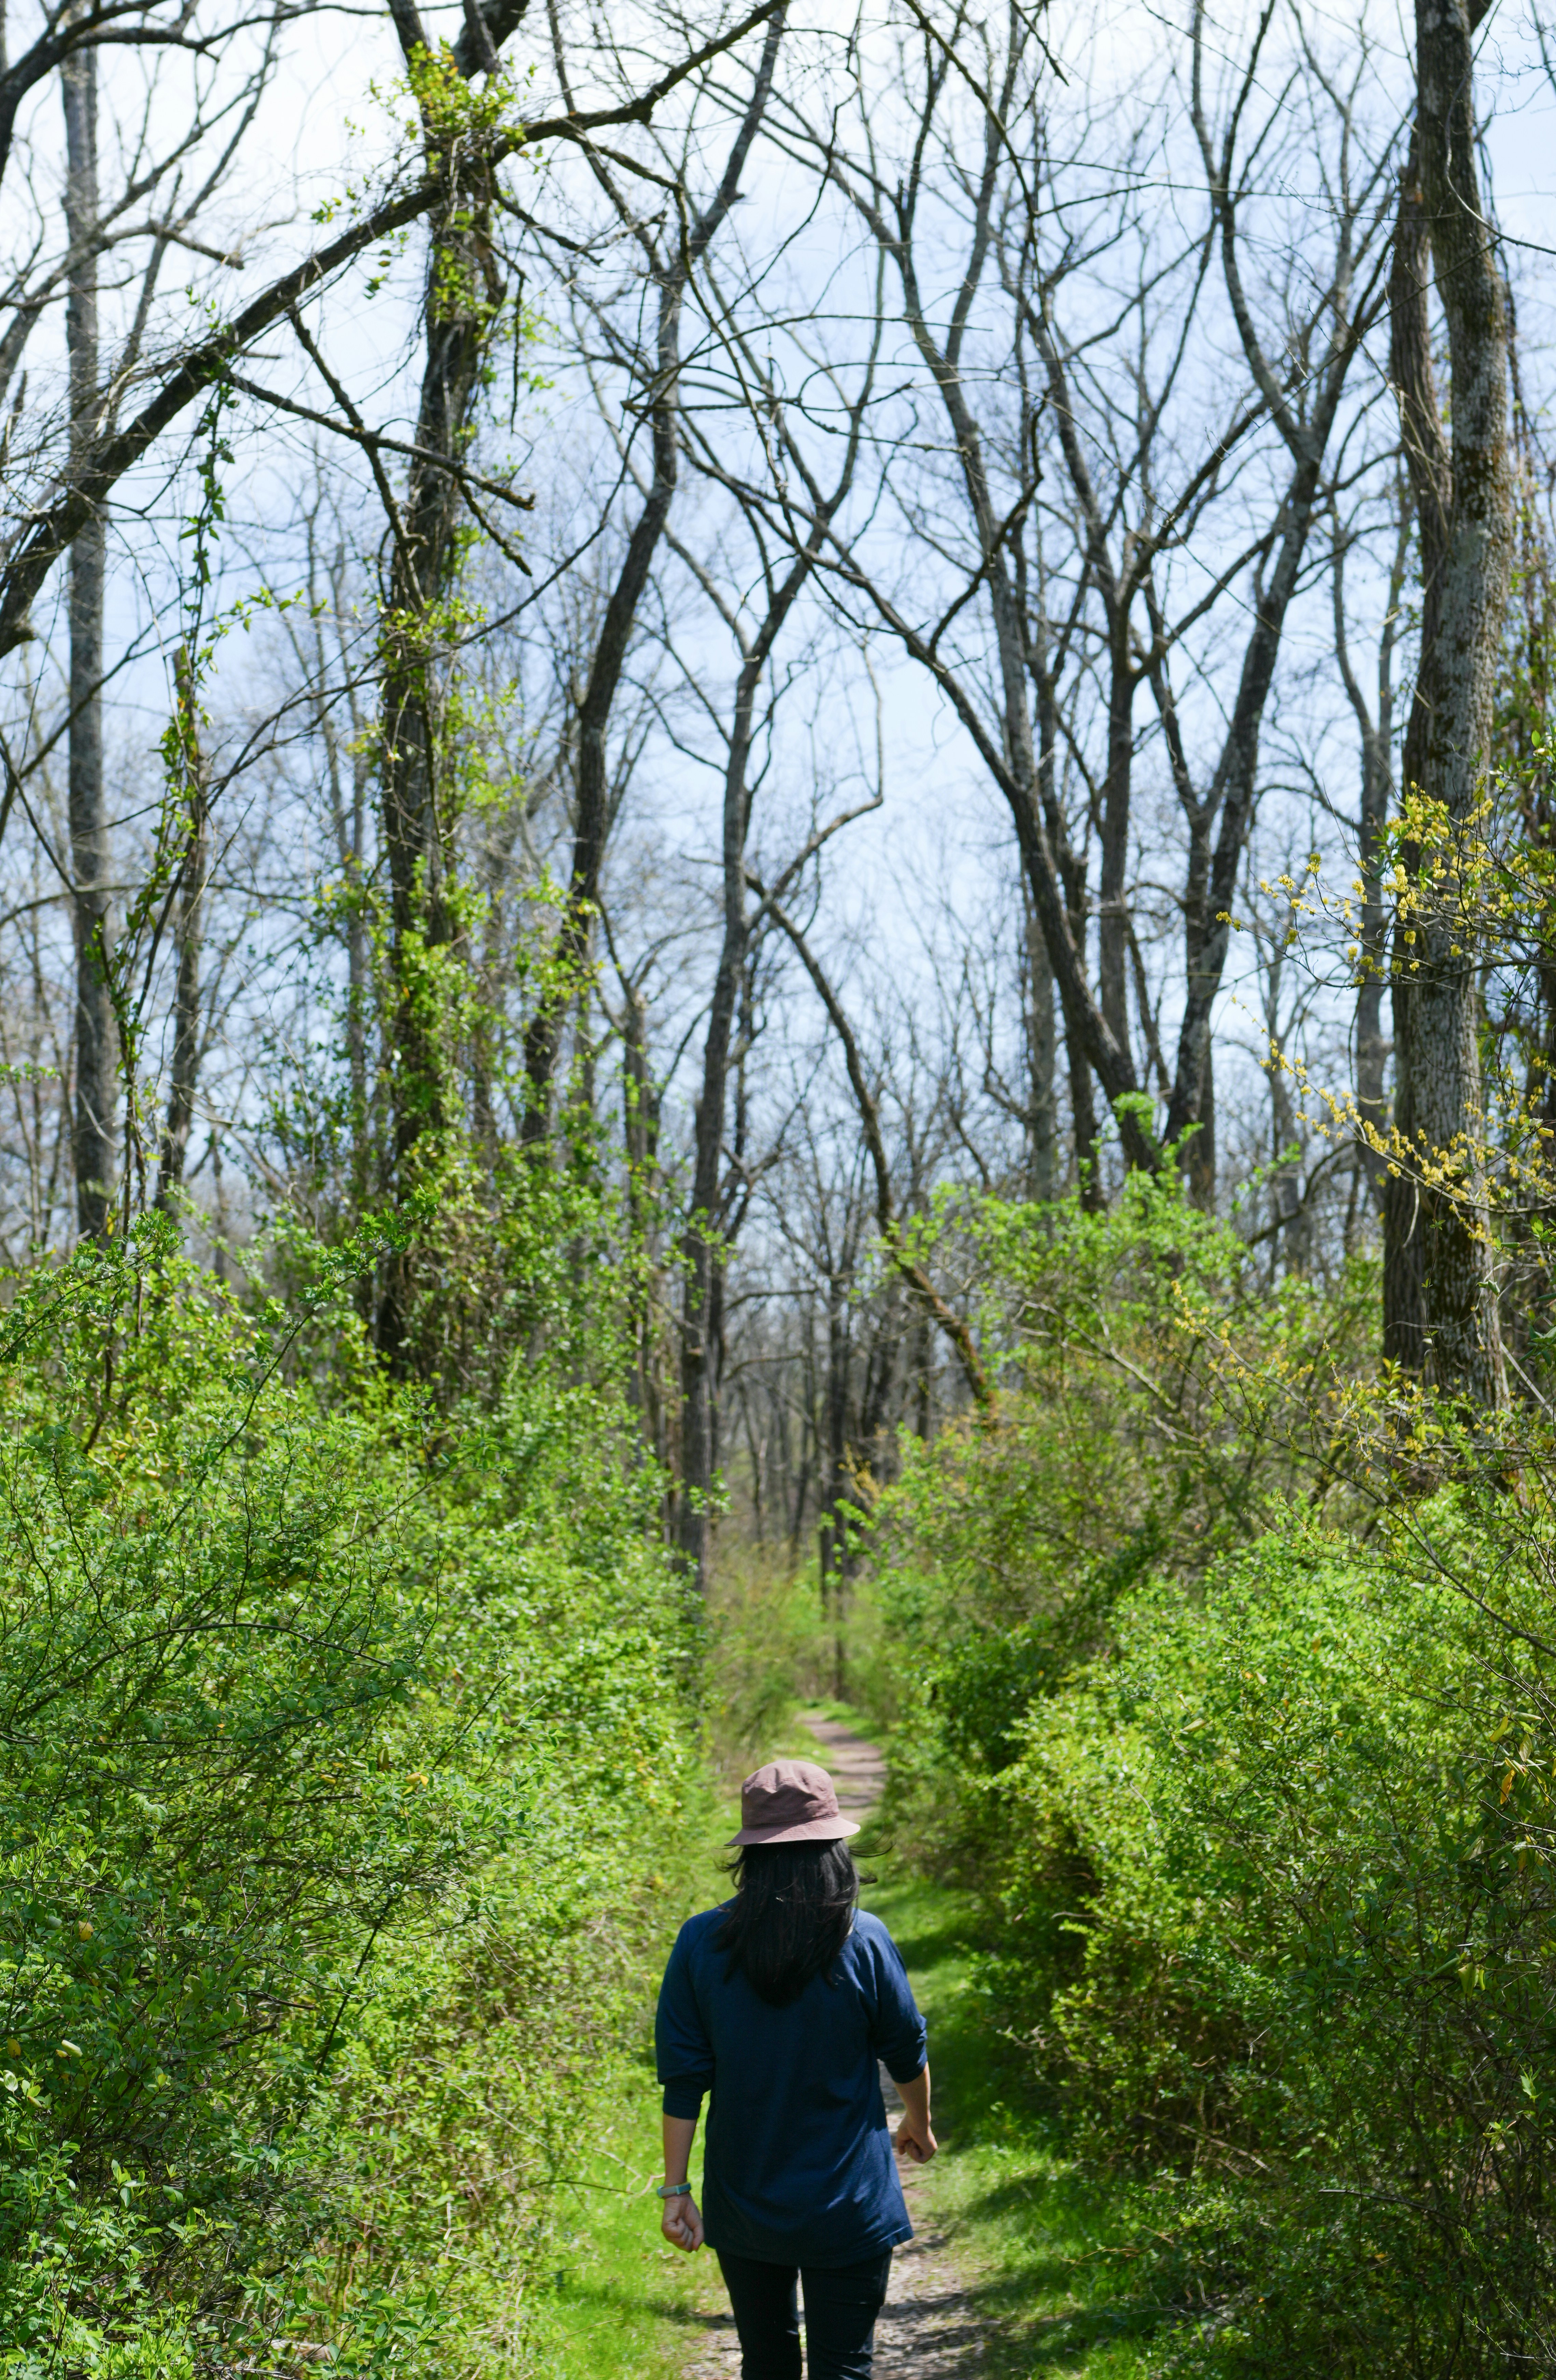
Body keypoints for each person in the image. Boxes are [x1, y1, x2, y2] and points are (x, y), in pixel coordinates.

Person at [653, 1756, 935, 2380]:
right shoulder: (862, 1938)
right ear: (833, 1846)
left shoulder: (701, 1941)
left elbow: (683, 2077)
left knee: (768, 2362)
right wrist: (920, 2121)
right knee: (844, 2366)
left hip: (746, 2198)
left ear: (751, 1851)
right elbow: (904, 2047)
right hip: (850, 2200)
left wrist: (676, 2190)